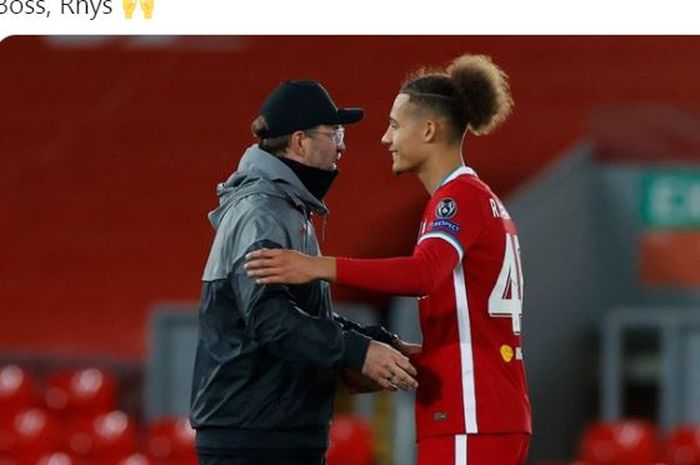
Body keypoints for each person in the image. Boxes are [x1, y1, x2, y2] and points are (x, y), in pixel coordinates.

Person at [245, 56, 532, 465]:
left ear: (429, 130)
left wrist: (315, 266)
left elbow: (421, 274)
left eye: (396, 125)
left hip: (471, 413)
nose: (385, 138)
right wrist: (408, 357)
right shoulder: (477, 199)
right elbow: (476, 325)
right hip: (483, 409)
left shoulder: (458, 198)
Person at [189, 80, 418, 465]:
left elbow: (300, 315)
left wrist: (378, 343)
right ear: (299, 141)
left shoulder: (283, 207)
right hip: (257, 439)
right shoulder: (261, 211)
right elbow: (269, 318)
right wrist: (356, 351)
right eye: (335, 133)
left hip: (272, 431)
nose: (343, 145)